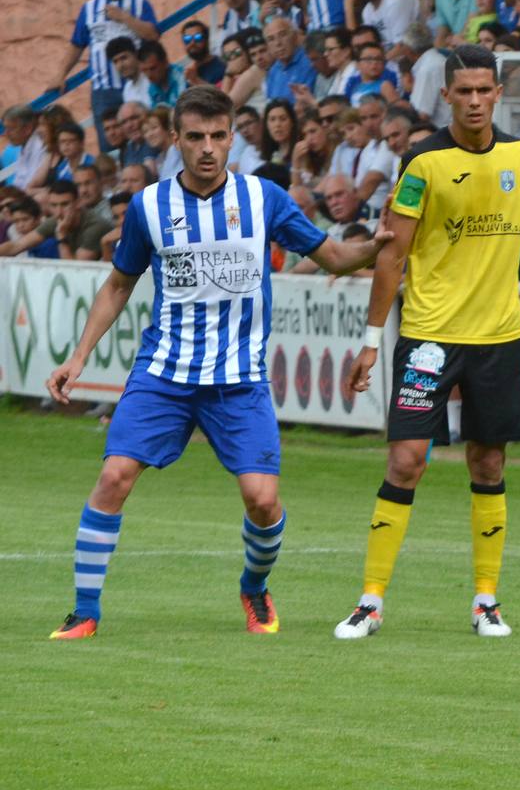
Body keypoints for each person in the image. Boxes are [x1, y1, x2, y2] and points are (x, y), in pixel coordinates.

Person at [43, 86, 388, 640]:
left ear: (232, 137)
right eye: (196, 137)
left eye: (218, 136)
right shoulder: (149, 206)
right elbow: (118, 284)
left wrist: (376, 245)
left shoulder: (264, 199)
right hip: (164, 373)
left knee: (263, 499)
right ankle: (85, 610)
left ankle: (254, 588)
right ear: (176, 139)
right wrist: (77, 357)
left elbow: (334, 256)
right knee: (113, 476)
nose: (208, 148)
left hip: (238, 379)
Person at [334, 45, 520, 640]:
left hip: (498, 336)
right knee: (407, 459)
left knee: (490, 460)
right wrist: (372, 340)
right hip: (427, 336)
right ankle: (370, 601)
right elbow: (393, 253)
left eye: (483, 90)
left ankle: (486, 602)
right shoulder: (422, 163)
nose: (474, 101)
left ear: (498, 94)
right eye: (463, 91)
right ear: (446, 96)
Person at [53, 0, 159, 153]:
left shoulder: (139, 3)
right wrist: (61, 75)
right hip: (103, 90)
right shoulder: (89, 9)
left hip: (137, 84)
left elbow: (152, 34)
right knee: (110, 146)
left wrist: (124, 17)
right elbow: (77, 44)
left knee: (145, 139)